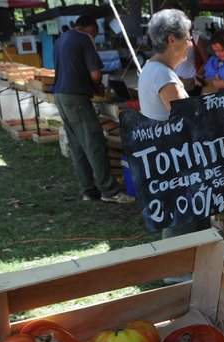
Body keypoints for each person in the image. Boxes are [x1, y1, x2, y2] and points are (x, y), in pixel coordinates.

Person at [139, 9, 211, 241]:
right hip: (176, 157)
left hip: (167, 155)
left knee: (187, 213)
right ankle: (177, 272)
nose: (190, 43)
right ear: (172, 40)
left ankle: (190, 262)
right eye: (188, 37)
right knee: (183, 215)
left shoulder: (152, 68)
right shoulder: (164, 76)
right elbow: (189, 119)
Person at [53, 15, 134, 204]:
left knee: (77, 144)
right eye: (96, 34)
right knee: (94, 140)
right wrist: (96, 85)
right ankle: (109, 190)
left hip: (60, 95)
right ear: (91, 29)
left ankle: (88, 190)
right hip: (77, 97)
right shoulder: (84, 38)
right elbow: (96, 74)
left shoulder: (61, 39)